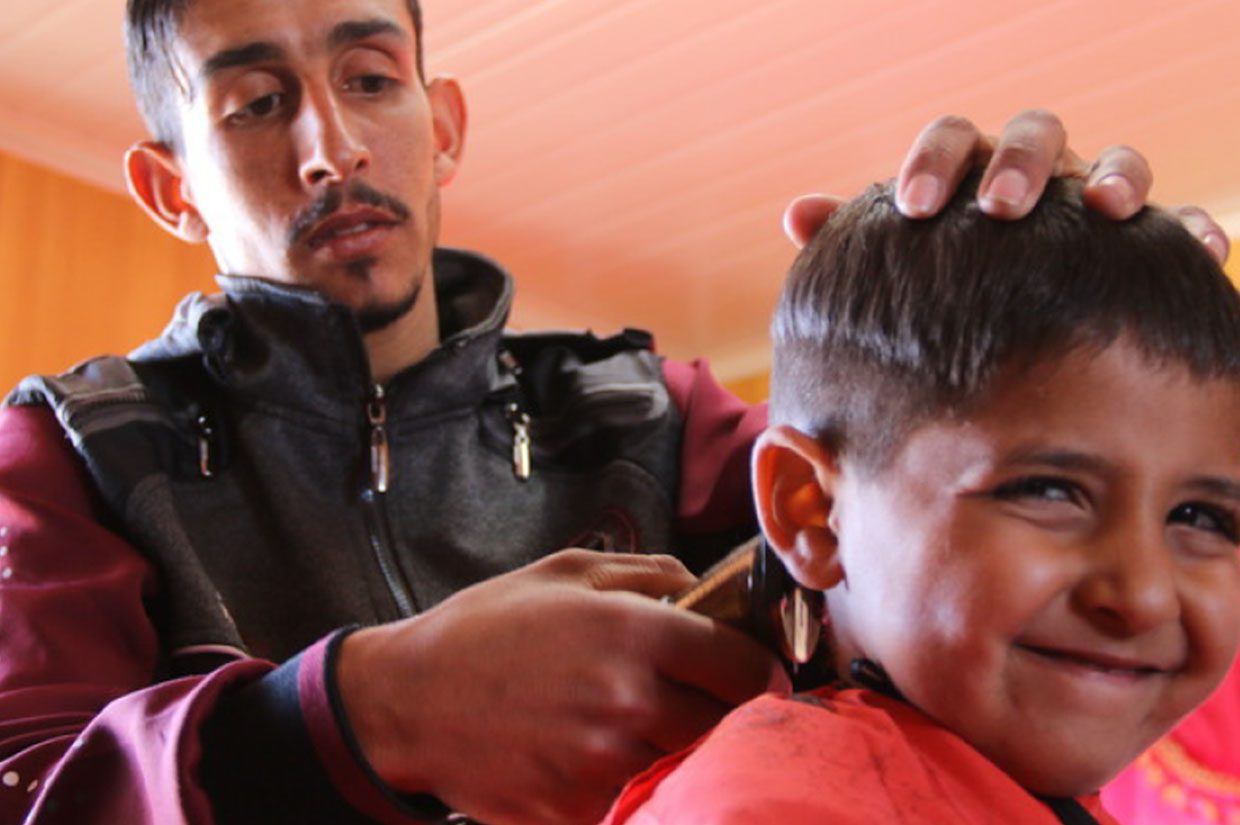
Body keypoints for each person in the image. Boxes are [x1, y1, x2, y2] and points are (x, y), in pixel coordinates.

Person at [0, 0, 1226, 823]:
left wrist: (1071, 328)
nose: (333, 146)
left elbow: (917, 562)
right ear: (168, 186)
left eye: (371, 78)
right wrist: (360, 715)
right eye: (255, 104)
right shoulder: (71, 454)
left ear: (444, 127)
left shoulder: (655, 414)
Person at [603, 172, 1240, 824]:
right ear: (812, 511)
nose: (1144, 595)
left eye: (1201, 516)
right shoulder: (779, 804)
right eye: (1048, 491)